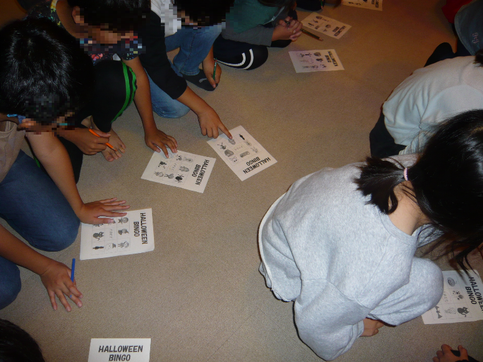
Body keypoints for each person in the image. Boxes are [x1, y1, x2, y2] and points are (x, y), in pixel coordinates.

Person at [258, 110, 483, 360]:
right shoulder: (381, 267)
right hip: (289, 267)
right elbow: (316, 327)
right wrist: (354, 329)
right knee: (429, 285)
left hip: (291, 219)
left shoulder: (410, 166)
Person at [0, 18, 129, 312]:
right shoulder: (26, 112)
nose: (64, 125)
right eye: (59, 121)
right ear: (29, 121)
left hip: (6, 164)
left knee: (62, 230)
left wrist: (80, 206)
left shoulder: (14, 78)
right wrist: (45, 268)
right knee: (5, 289)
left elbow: (47, 150)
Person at [29, 0, 179, 180]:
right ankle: (81, 123)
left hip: (88, 90)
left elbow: (138, 75)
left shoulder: (120, 22)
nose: (129, 36)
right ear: (79, 17)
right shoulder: (38, 30)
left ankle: (98, 126)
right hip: (51, 109)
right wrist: (71, 133)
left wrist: (151, 129)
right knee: (60, 178)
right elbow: (27, 110)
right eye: (120, 32)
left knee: (119, 78)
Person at [138, 0, 233, 139]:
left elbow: (210, 15)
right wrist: (203, 110)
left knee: (214, 25)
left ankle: (186, 68)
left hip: (159, 32)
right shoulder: (145, 15)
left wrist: (208, 59)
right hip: (137, 50)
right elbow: (159, 70)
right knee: (177, 108)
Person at [369, 50, 483, 158]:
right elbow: (425, 149)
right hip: (393, 141)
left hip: (403, 110)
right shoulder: (466, 104)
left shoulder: (476, 62)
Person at [213, 0, 302, 70]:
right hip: (219, 27)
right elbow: (228, 31)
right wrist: (273, 35)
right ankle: (208, 50)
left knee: (286, 36)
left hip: (242, 17)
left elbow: (281, 10)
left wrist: (282, 21)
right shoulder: (256, 6)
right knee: (256, 56)